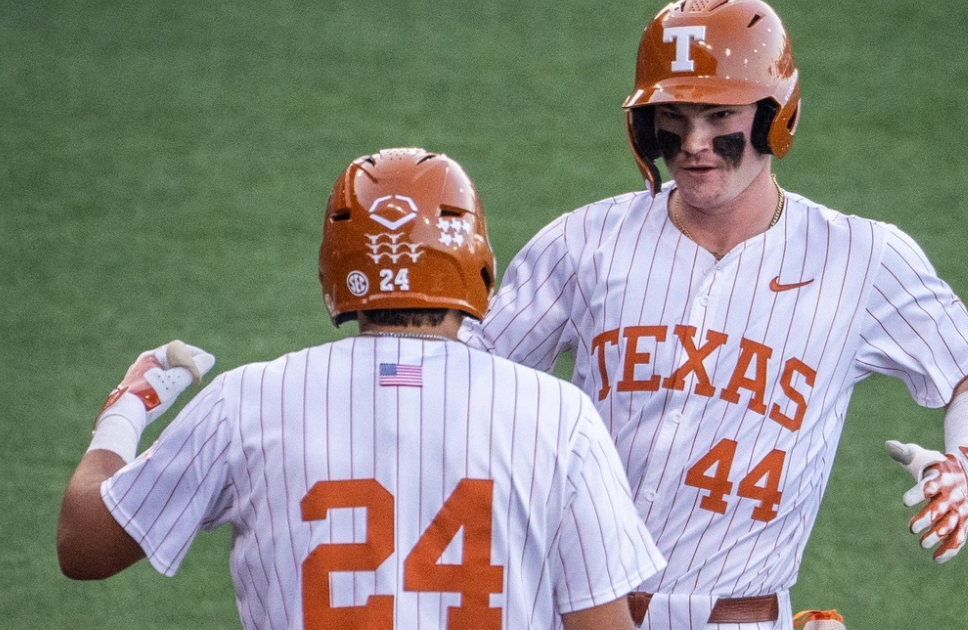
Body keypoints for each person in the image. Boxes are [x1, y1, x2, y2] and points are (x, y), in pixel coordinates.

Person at [461, 1, 968, 628]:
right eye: (673, 116)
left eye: (721, 115)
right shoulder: (580, 243)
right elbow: (464, 382)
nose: (695, 143)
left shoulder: (863, 259)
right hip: (577, 613)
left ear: (776, 117)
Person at [57, 148, 667, 630]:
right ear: (476, 261)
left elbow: (83, 546)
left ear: (336, 265)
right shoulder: (558, 415)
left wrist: (126, 409)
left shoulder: (245, 404)